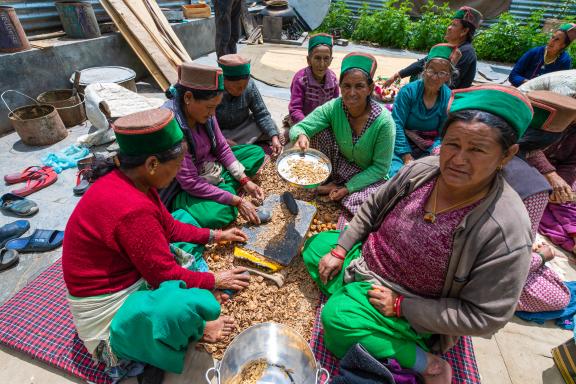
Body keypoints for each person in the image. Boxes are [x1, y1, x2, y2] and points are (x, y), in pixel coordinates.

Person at [302, 85, 534, 383]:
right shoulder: (423, 170)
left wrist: (402, 306)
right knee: (317, 247)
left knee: (336, 319)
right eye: (452, 144)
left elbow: (487, 316)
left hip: (413, 301)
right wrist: (341, 250)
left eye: (476, 149)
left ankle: (428, 363)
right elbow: (373, 208)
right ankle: (360, 301)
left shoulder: (505, 228)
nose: (458, 159)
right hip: (368, 263)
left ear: (506, 155)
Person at [62, 108, 252, 381]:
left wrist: (216, 236)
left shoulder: (135, 182)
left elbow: (170, 227)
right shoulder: (132, 209)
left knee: (185, 217)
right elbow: (165, 276)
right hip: (110, 312)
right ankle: (196, 331)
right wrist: (214, 279)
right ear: (152, 164)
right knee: (186, 304)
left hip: (127, 270)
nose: (177, 174)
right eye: (175, 166)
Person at [290, 52, 396, 217]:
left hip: (367, 174)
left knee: (374, 204)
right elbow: (301, 127)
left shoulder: (384, 122)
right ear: (340, 87)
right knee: (317, 133)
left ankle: (337, 187)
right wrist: (301, 136)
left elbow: (381, 168)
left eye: (359, 86)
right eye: (346, 86)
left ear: (370, 88)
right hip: (340, 163)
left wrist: (349, 187)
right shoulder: (334, 107)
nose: (352, 93)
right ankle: (332, 183)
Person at [163, 62, 267, 229]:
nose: (213, 114)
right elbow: (190, 182)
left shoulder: (206, 114)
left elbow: (221, 147)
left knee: (255, 153)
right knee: (223, 212)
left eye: (215, 108)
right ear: (188, 98)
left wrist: (245, 180)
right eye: (210, 108)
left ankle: (227, 186)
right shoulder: (172, 126)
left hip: (212, 168)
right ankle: (217, 194)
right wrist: (237, 201)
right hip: (188, 185)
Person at [389, 44, 461, 178]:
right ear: (425, 69)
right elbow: (396, 124)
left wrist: (432, 152)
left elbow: (442, 133)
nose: (435, 77)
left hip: (428, 148)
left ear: (448, 76)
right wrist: (406, 155)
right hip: (400, 145)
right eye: (432, 70)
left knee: (429, 177)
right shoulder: (408, 91)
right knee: (397, 176)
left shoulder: (448, 98)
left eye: (441, 73)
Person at [384, 6, 482, 90]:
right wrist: (396, 76)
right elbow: (423, 62)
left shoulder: (465, 52)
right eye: (450, 24)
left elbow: (448, 84)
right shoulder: (450, 48)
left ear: (464, 31)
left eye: (454, 25)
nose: (449, 27)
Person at [215, 54, 282, 155]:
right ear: (224, 81)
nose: (242, 90)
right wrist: (224, 140)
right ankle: (238, 146)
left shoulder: (250, 85)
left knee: (271, 126)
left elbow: (261, 113)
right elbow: (206, 124)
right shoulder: (213, 91)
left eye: (244, 86)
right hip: (221, 132)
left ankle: (240, 147)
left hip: (244, 127)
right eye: (238, 87)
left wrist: (274, 137)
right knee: (208, 142)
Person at [287, 33, 339, 126]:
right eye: (317, 58)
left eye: (326, 58)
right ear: (309, 60)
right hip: (302, 121)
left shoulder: (333, 80)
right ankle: (289, 128)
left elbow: (335, 107)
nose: (322, 64)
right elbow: (295, 109)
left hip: (323, 122)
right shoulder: (301, 80)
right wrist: (308, 126)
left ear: (331, 60)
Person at [509, 23, 575, 87]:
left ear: (563, 45)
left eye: (557, 40)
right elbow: (513, 75)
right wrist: (530, 84)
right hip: (522, 88)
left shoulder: (564, 61)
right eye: (552, 37)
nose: (551, 41)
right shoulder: (535, 52)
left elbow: (560, 85)